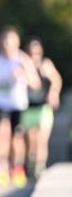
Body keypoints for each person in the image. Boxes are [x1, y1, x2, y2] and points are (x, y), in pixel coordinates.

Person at [0, 27, 39, 187]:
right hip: (0, 103)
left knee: (17, 138)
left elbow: (35, 84)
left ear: (17, 43)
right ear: (1, 42)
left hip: (17, 103)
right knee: (2, 134)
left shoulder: (22, 59)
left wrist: (23, 76)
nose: (7, 44)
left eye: (11, 40)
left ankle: (17, 168)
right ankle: (2, 168)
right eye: (5, 40)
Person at [22, 38, 62, 179]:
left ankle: (40, 167)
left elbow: (57, 79)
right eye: (31, 53)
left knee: (42, 139)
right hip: (28, 108)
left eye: (37, 53)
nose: (35, 56)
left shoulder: (46, 65)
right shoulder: (23, 66)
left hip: (43, 107)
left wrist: (53, 92)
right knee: (31, 139)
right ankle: (30, 165)